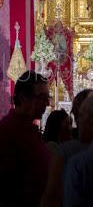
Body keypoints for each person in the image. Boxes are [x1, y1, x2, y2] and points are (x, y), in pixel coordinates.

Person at [0, 71, 51, 207]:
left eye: (48, 97)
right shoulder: (8, 130)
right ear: (23, 98)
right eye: (41, 97)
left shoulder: (30, 127)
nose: (47, 103)